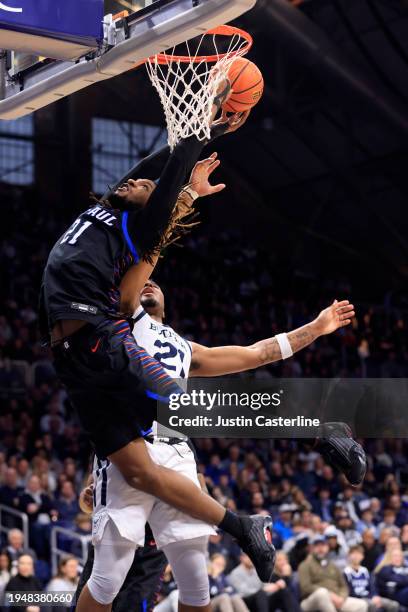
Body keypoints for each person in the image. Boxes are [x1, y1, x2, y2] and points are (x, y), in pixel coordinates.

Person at [40, 80, 276, 605]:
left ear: (154, 206)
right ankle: (243, 526)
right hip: (72, 359)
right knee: (137, 469)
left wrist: (209, 118)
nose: (138, 181)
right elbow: (161, 159)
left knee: (167, 389)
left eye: (149, 188)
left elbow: (171, 171)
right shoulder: (109, 205)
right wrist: (193, 142)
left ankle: (263, 418)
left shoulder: (141, 229)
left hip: (101, 336)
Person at [76, 276, 359, 612]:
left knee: (197, 585)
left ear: (168, 303)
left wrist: (315, 327)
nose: (149, 283)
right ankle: (316, 435)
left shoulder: (186, 349)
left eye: (157, 283)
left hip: (175, 448)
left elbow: (257, 353)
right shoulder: (122, 323)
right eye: (143, 282)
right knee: (107, 577)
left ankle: (318, 432)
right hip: (132, 443)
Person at [298, 535, 367, 611]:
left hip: (336, 599)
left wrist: (341, 598)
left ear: (327, 547)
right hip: (310, 600)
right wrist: (329, 594)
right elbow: (305, 587)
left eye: (323, 545)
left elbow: (343, 586)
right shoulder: (305, 565)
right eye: (317, 546)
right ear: (312, 548)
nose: (320, 548)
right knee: (322, 593)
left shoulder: (333, 565)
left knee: (361, 604)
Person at [343, 546, 398, 612]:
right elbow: (349, 592)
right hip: (358, 599)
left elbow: (372, 586)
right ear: (349, 556)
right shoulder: (346, 572)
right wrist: (370, 598)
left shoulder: (365, 571)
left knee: (394, 605)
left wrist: (375, 596)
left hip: (370, 597)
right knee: (374, 606)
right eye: (354, 553)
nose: (356, 556)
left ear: (362, 556)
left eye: (358, 554)